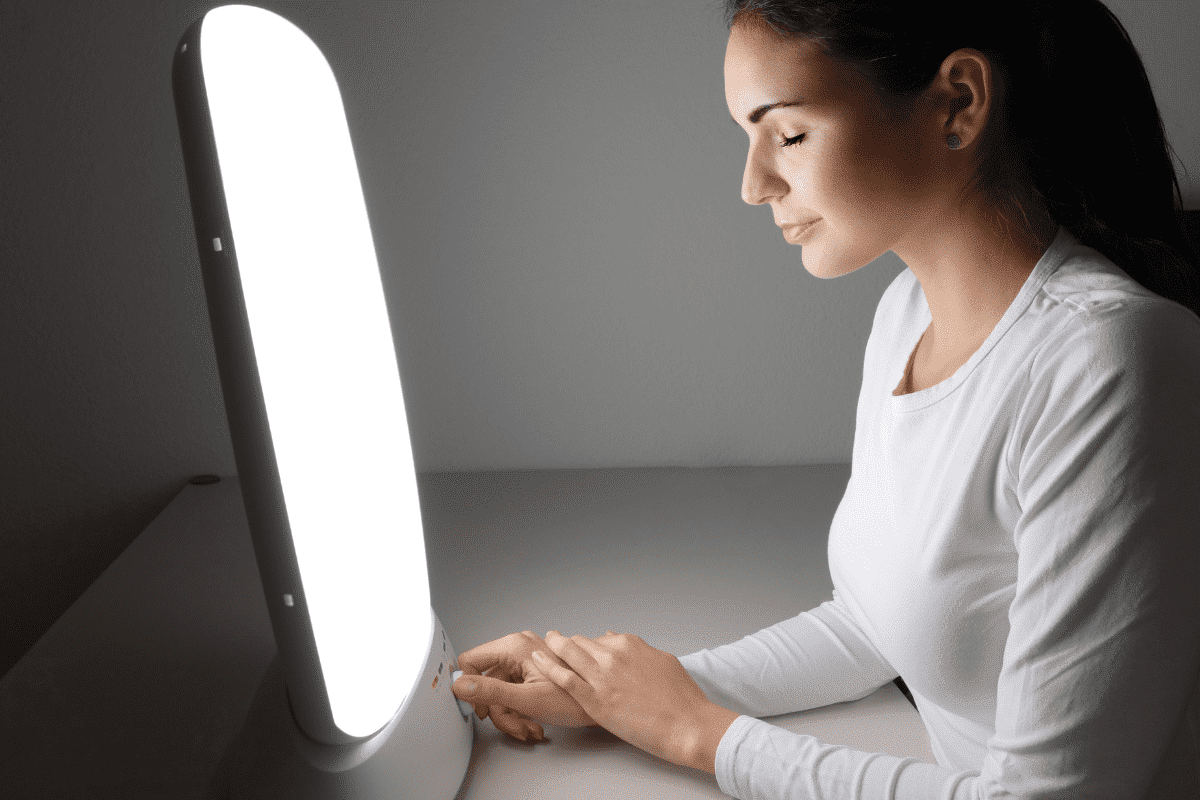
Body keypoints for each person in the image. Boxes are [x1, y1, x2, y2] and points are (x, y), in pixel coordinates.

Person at [451, 1, 1200, 797]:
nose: (752, 184)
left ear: (959, 103)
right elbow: (877, 623)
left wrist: (697, 734)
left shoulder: (1108, 361)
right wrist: (610, 693)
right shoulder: (904, 318)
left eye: (790, 134)